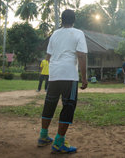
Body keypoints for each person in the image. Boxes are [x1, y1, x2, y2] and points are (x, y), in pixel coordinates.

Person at [38, 10, 88, 154]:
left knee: (50, 104)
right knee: (68, 106)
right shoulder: (78, 33)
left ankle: (43, 136)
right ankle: (59, 142)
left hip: (54, 74)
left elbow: (48, 55)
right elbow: (82, 56)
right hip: (69, 75)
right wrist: (84, 78)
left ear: (62, 19)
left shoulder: (55, 33)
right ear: (74, 20)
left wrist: (47, 70)